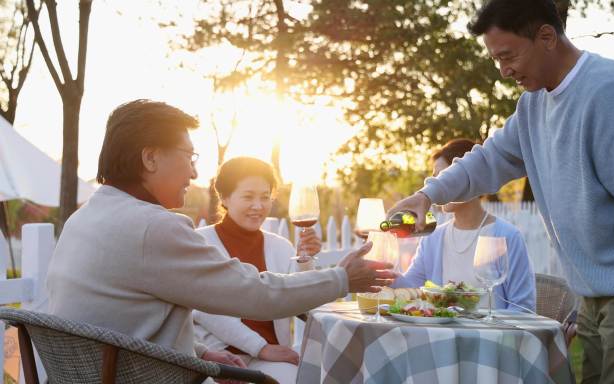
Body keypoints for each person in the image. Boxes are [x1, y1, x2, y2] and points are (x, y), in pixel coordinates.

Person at [387, 1, 614, 382]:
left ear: (546, 36)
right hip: (594, 300)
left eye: (508, 56)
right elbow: (488, 159)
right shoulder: (533, 106)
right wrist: (427, 195)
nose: (503, 70)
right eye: (496, 59)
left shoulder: (609, 92)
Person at [45, 99, 396, 381]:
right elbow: (256, 294)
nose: (195, 173)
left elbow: (117, 320)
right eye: (189, 157)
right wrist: (342, 278)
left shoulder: (85, 218)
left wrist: (198, 351)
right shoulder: (152, 226)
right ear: (150, 157)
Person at [193, 157, 319, 384]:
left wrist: (305, 260)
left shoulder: (281, 247)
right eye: (248, 197)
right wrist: (260, 347)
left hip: (272, 358)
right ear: (225, 197)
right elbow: (205, 310)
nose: (258, 206)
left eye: (265, 197)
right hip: (219, 358)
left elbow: (302, 300)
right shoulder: (200, 242)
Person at [392, 139, 536, 312]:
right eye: (434, 178)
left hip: (493, 337)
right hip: (443, 337)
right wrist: (382, 269)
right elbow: (410, 287)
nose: (437, 186)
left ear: (468, 178)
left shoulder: (508, 237)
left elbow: (523, 307)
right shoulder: (434, 238)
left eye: (443, 176)